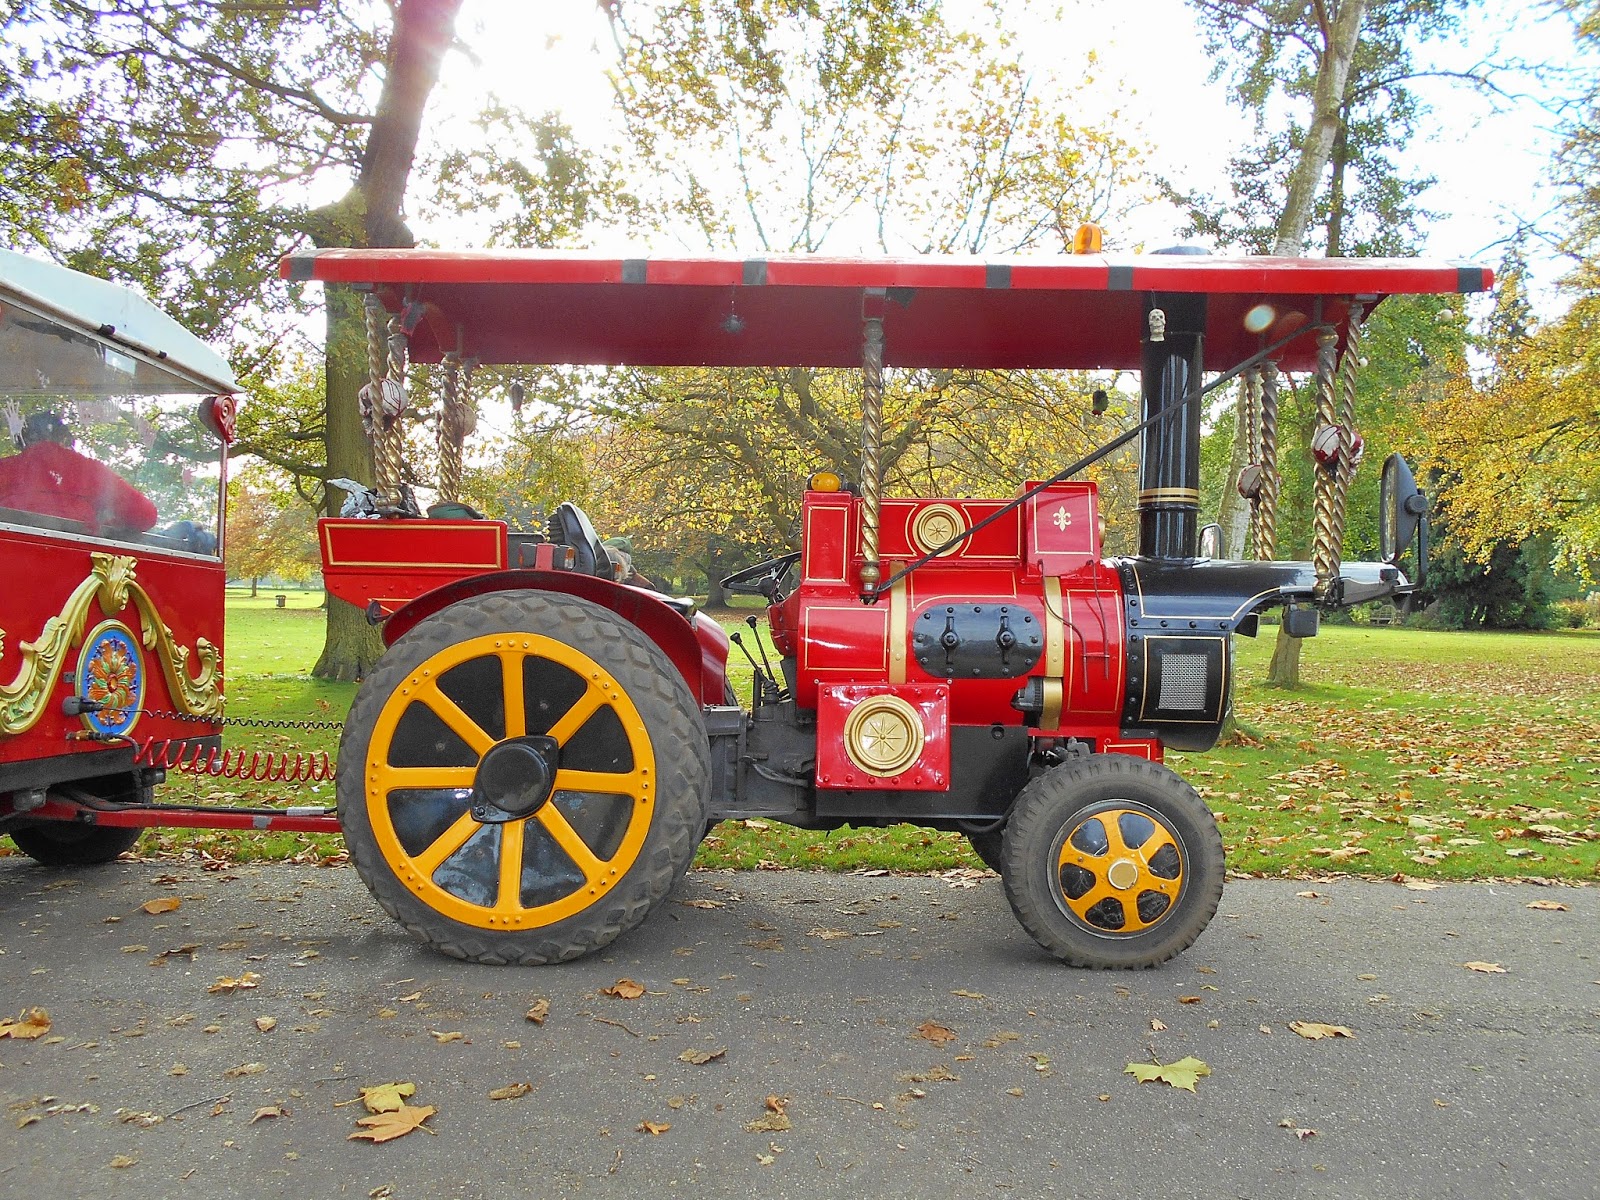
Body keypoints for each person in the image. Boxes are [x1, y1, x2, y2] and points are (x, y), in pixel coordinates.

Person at [0, 410, 158, 536]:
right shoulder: (91, 470)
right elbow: (145, 515)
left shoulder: (4, 468)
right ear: (64, 438)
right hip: (78, 560)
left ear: (22, 441)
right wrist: (108, 523)